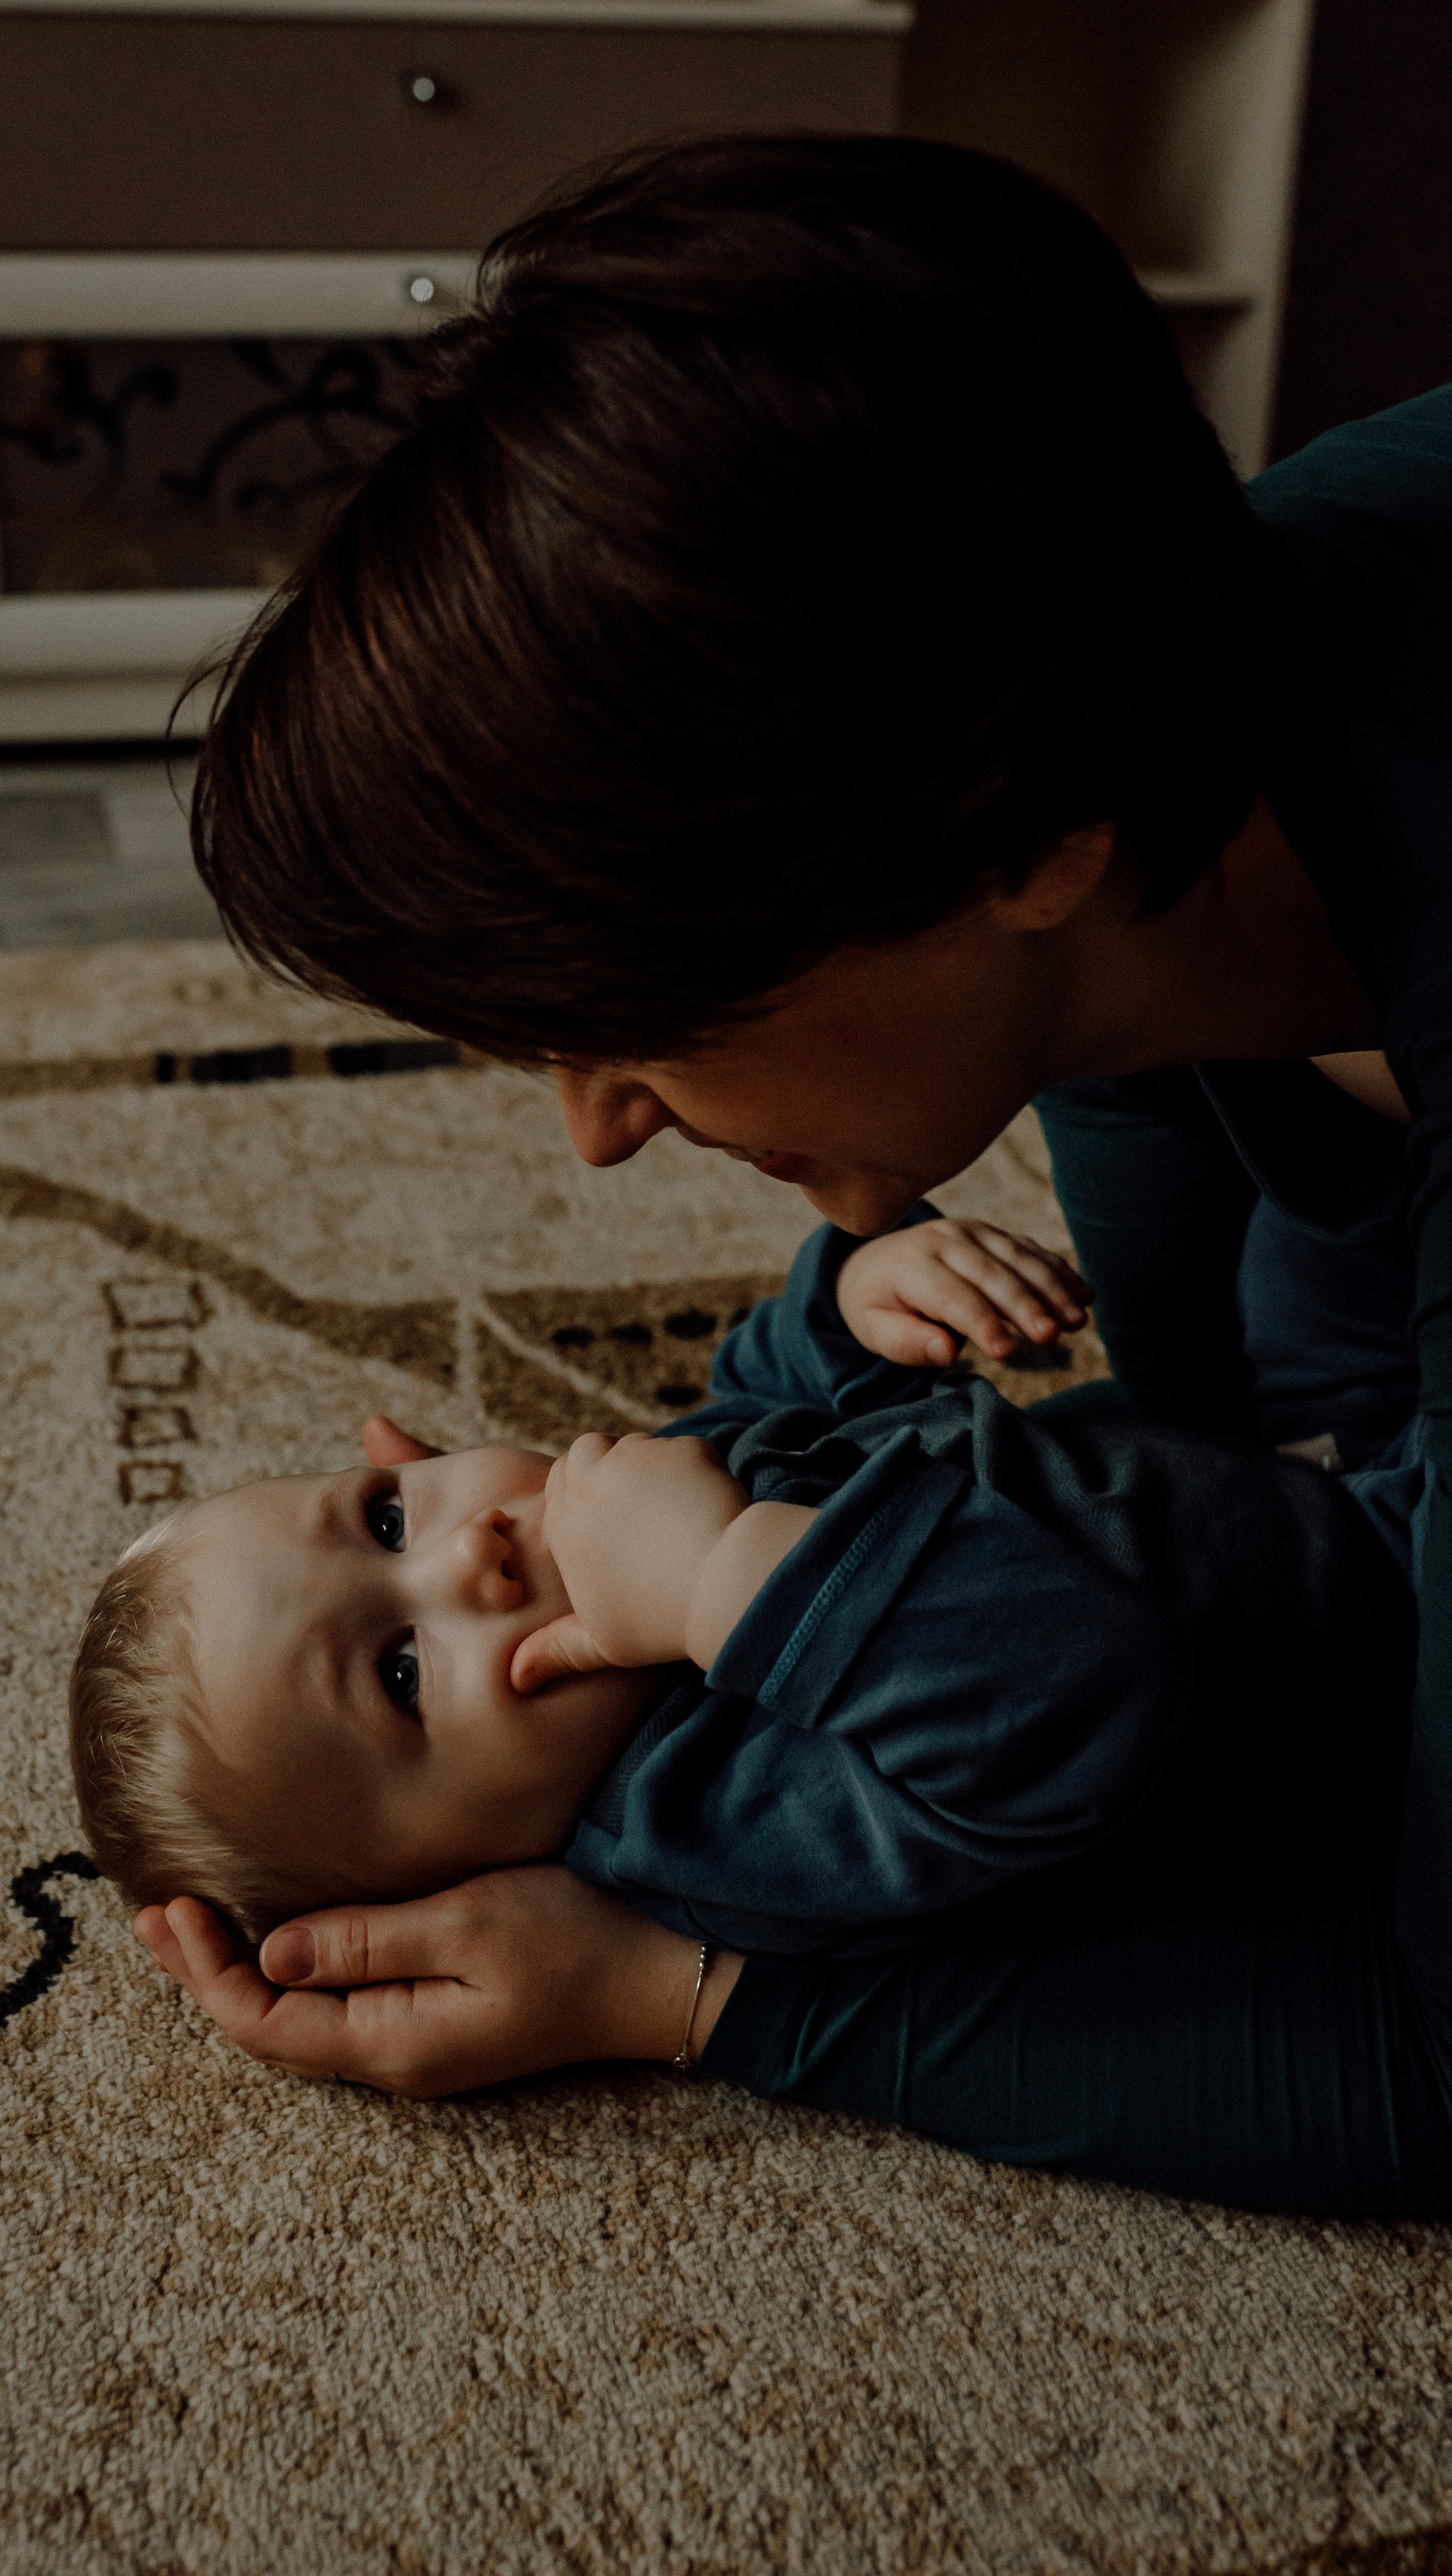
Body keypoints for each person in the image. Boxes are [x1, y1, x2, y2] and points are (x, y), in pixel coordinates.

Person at [139, 134, 1452, 2215]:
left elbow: (1428, 2066)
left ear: (1024, 841)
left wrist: (675, 1992)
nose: (593, 1129)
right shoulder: (1156, 752)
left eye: (633, 1006)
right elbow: (1190, 1394)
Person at [84, 1211, 1416, 1963]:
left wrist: (851, 1303)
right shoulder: (714, 1817)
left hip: (1270, 1453)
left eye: (386, 1517)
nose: (463, 1554)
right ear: (454, 1878)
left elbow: (757, 1405)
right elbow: (1075, 1690)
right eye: (399, 1670)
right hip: (1380, 1628)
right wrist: (719, 1576)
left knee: (1309, 1168)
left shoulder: (619, 1543)